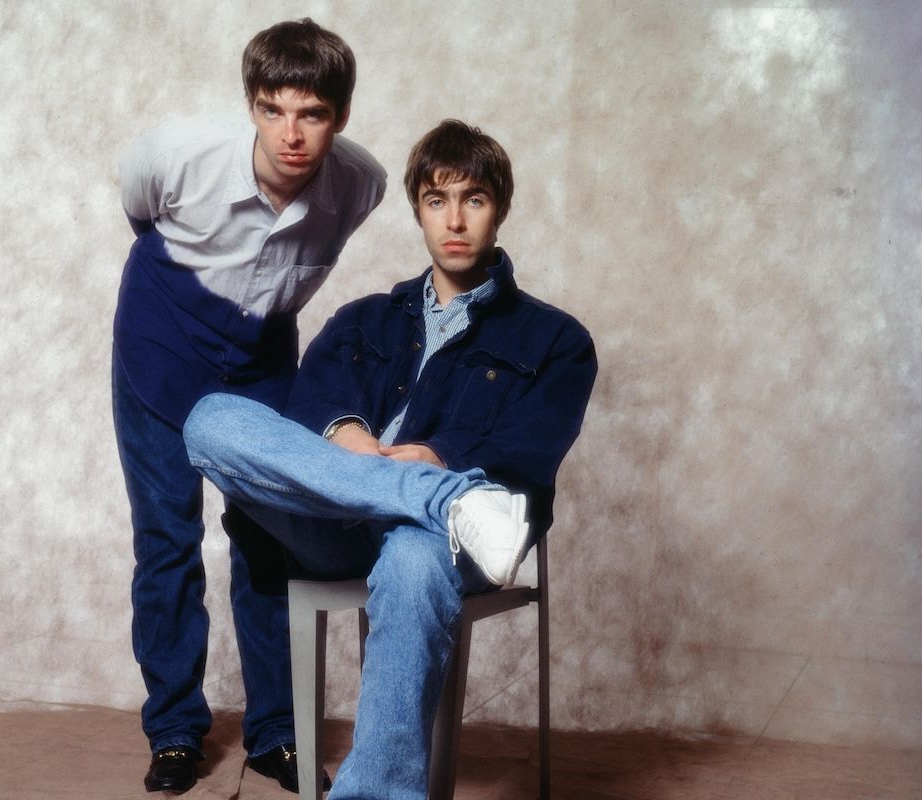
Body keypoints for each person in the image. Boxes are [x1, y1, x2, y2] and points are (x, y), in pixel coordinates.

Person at [182, 119, 597, 799]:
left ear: (500, 209)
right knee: (211, 419)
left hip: (450, 543)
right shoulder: (364, 319)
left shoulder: (555, 340)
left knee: (410, 554)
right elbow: (298, 421)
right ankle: (436, 496)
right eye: (438, 200)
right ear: (417, 211)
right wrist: (343, 429)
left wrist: (439, 454)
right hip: (340, 521)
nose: (455, 219)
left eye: (474, 199)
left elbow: (528, 457)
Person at [111, 18, 387, 794]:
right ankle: (173, 731)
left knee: (270, 541)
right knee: (167, 540)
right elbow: (141, 216)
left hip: (263, 356)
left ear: (340, 115)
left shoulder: (359, 184)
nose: (292, 134)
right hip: (162, 340)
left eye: (314, 114)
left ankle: (278, 735)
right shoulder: (180, 154)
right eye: (274, 110)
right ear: (251, 105)